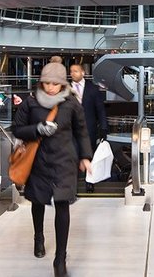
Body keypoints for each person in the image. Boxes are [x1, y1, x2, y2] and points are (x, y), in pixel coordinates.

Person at [12, 61, 92, 277]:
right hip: (38, 161)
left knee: (62, 204)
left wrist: (85, 156)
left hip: (64, 161)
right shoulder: (30, 103)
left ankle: (60, 258)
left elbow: (81, 131)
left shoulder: (71, 103)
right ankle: (38, 237)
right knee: (37, 201)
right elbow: (17, 128)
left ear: (62, 83)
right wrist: (37, 129)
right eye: (46, 83)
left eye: (54, 83)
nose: (50, 87)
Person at [69, 63, 107, 192]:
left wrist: (104, 128)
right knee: (72, 156)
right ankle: (71, 185)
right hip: (70, 130)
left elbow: (100, 110)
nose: (73, 73)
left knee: (89, 156)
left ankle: (89, 182)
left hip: (89, 129)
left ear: (83, 73)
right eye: (71, 71)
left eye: (76, 71)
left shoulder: (93, 89)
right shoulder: (66, 89)